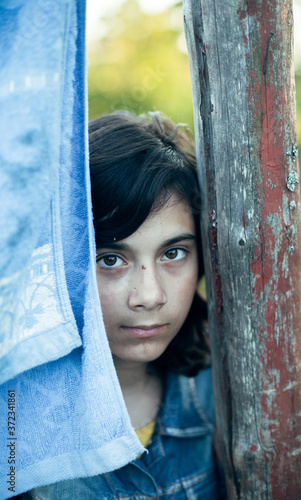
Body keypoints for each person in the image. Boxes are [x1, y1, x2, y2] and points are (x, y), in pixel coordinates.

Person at [20, 111, 226, 499]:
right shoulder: (15, 421)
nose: (149, 296)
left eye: (174, 253)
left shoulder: (222, 390)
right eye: (111, 259)